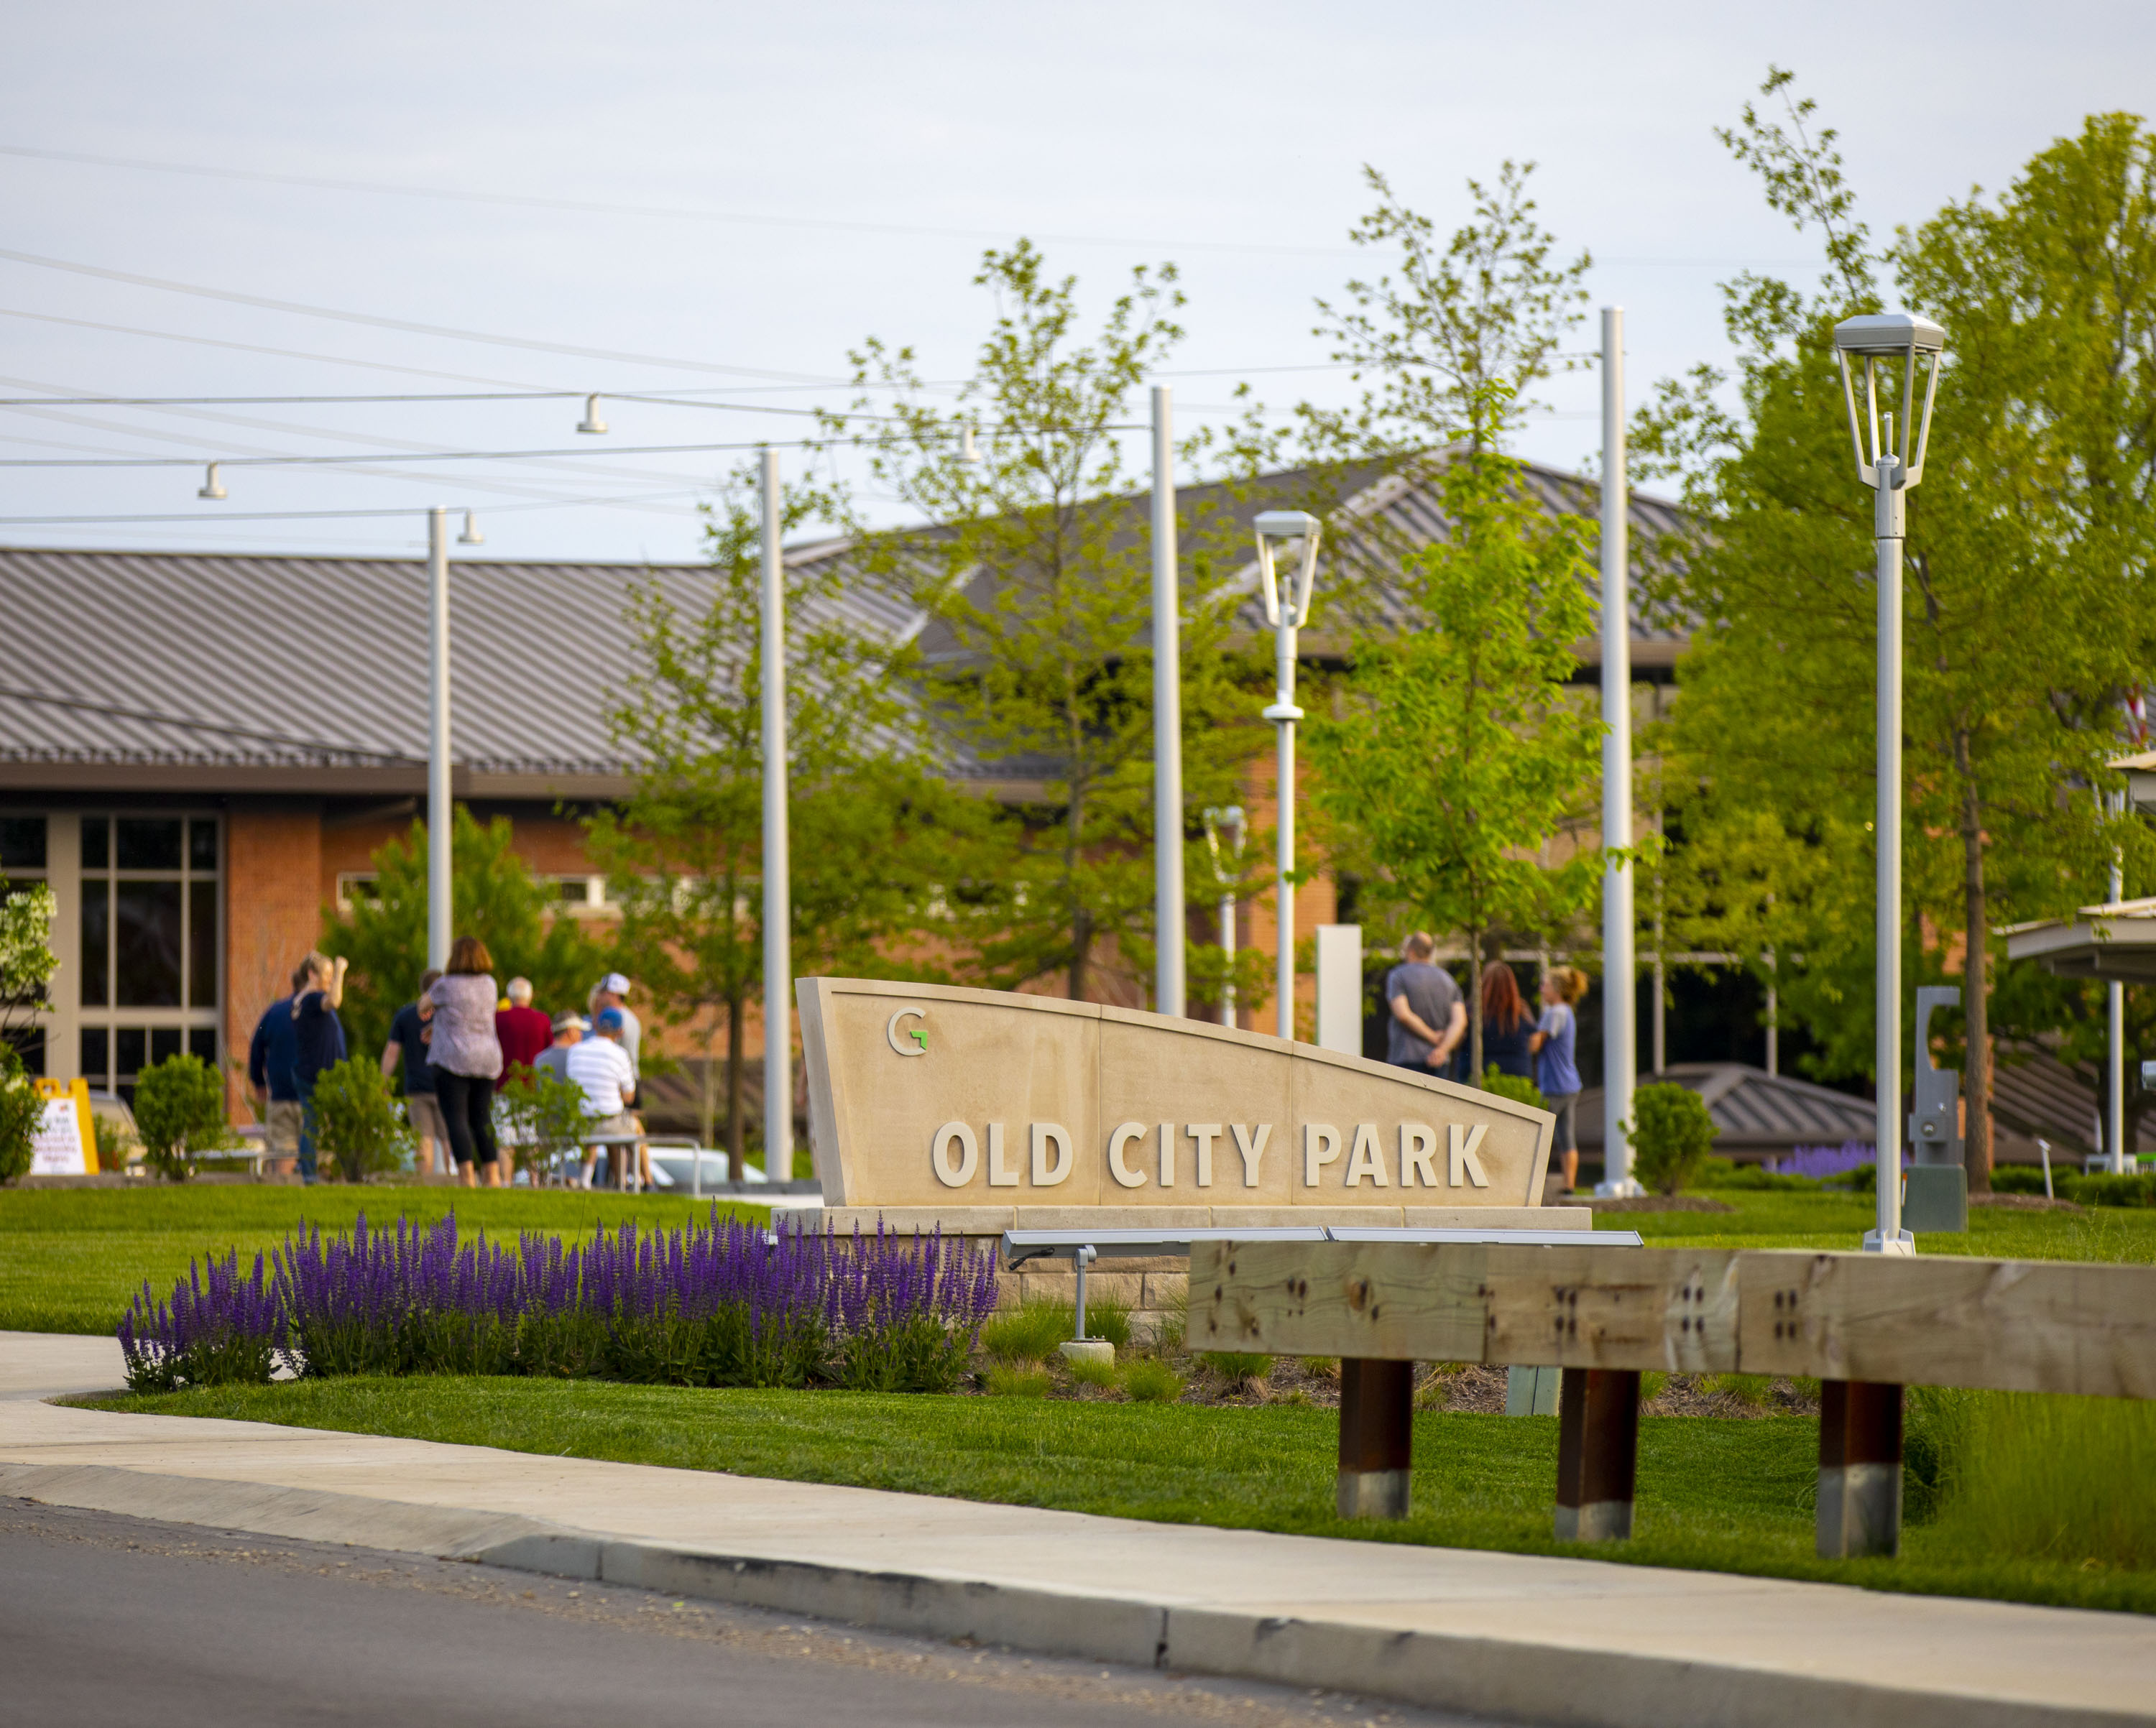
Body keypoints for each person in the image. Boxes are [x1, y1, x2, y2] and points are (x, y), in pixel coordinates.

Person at [428, 936, 505, 1188]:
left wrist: (434, 1017)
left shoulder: (445, 985)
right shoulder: (490, 985)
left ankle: (467, 1177)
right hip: (487, 1058)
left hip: (454, 1058)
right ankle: (493, 1176)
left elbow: (422, 1006)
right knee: (482, 1118)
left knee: (456, 1118)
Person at [289, 952, 349, 1185]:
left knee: (313, 1126)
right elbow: (334, 1001)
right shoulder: (313, 999)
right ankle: (343, 1173)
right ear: (312, 975)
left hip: (311, 1074)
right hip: (322, 1078)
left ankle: (313, 1175)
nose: (331, 979)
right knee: (340, 1124)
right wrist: (341, 971)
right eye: (327, 974)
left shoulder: (301, 1001)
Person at [568, 1006, 643, 1191]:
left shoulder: (576, 1050)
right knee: (633, 1128)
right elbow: (629, 1097)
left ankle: (585, 1180)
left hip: (580, 1123)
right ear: (620, 1032)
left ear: (596, 1025)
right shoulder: (620, 1054)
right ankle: (640, 1180)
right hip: (610, 1123)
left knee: (596, 1118)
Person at [381, 969, 445, 1178]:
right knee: (449, 1139)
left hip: (416, 1087)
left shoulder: (406, 1015)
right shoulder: (449, 1015)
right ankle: (458, 1185)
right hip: (447, 1085)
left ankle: (424, 1185)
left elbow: (392, 1053)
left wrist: (383, 1082)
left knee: (422, 1140)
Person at [1530, 966, 1588, 1191]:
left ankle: (1532, 1183)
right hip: (1571, 1084)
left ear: (1556, 989)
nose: (1542, 989)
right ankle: (1569, 1184)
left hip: (1555, 1085)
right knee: (1566, 1136)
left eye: (1545, 985)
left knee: (1538, 1133)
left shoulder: (1554, 1013)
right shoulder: (1568, 1011)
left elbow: (1536, 1044)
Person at [247, 964, 308, 1177]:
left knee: (284, 1152)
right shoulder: (322, 1015)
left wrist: (259, 1081)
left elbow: (256, 1045)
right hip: (313, 1097)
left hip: (281, 1095)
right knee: (319, 1156)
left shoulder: (274, 1012)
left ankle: (284, 1193)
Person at [1385, 933, 1465, 1077]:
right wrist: (1442, 1049)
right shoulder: (1449, 980)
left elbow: (1403, 1014)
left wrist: (1432, 1037)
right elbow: (1460, 1022)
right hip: (1440, 1061)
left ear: (1411, 951)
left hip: (1406, 1059)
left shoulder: (1398, 976)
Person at [1478, 961, 1535, 1083]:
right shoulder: (1521, 1010)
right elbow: (1533, 1042)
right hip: (1518, 1077)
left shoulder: (1475, 1011)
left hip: (1483, 1077)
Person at [494, 976, 552, 1086]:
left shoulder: (498, 1019)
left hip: (504, 1085)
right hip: (534, 1085)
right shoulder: (543, 1020)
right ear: (530, 996)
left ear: (508, 996)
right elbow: (549, 1050)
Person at [586, 971, 641, 1082]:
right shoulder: (629, 1017)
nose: (599, 996)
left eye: (603, 992)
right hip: (627, 1077)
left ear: (614, 994)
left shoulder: (617, 1019)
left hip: (622, 1080)